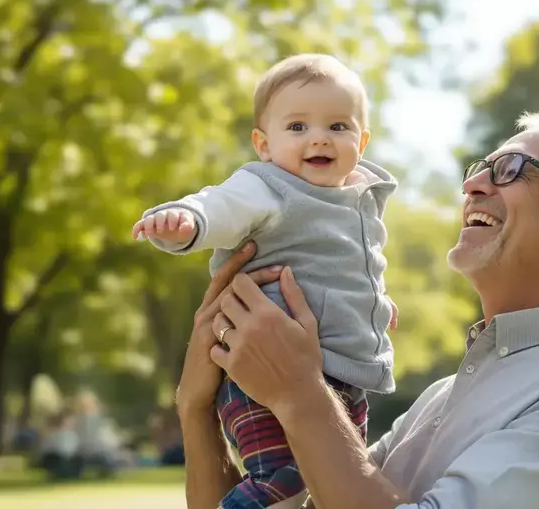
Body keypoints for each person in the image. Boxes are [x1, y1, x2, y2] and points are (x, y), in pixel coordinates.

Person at [177, 106, 539, 509]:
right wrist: (196, 410)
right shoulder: (439, 399)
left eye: (511, 169)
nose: (473, 186)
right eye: (479, 169)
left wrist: (299, 390)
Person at [134, 54, 399, 509]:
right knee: (283, 483)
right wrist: (186, 220)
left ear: (362, 141)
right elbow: (221, 205)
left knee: (334, 481)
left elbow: (356, 264)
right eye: (297, 127)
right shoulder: (269, 186)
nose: (319, 137)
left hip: (344, 374)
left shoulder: (358, 202)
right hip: (261, 364)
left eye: (338, 126)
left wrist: (375, 304)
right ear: (263, 144)